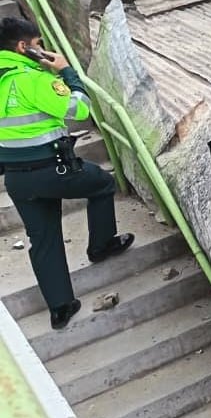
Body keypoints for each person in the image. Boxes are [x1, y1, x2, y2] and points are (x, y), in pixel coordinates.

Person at [0, 18, 134, 330]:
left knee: (42, 237)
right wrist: (65, 72)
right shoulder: (32, 79)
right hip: (55, 169)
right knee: (102, 183)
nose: (43, 49)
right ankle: (100, 245)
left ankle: (61, 308)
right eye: (39, 44)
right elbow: (80, 109)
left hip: (18, 180)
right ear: (24, 47)